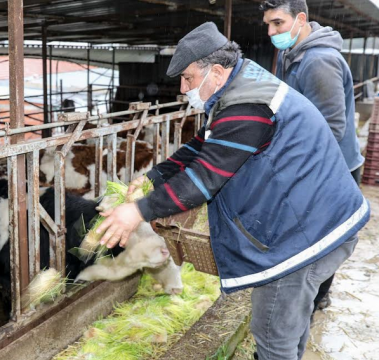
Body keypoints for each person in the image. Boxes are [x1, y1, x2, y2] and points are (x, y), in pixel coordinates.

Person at [95, 22, 369, 360]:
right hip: (317, 215)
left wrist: (137, 210)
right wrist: (156, 174)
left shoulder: (247, 107)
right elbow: (204, 144)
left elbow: (203, 180)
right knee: (289, 324)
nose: (183, 89)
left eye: (188, 79)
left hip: (306, 234)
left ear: (217, 72)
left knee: (271, 332)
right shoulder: (242, 85)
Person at [261, 0, 365, 314]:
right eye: (268, 25)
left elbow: (331, 128)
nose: (271, 32)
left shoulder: (318, 61)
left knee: (322, 242)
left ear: (301, 19)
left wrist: (294, 171)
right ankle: (311, 300)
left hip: (333, 169)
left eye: (278, 23)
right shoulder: (292, 54)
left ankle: (315, 302)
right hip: (317, 163)